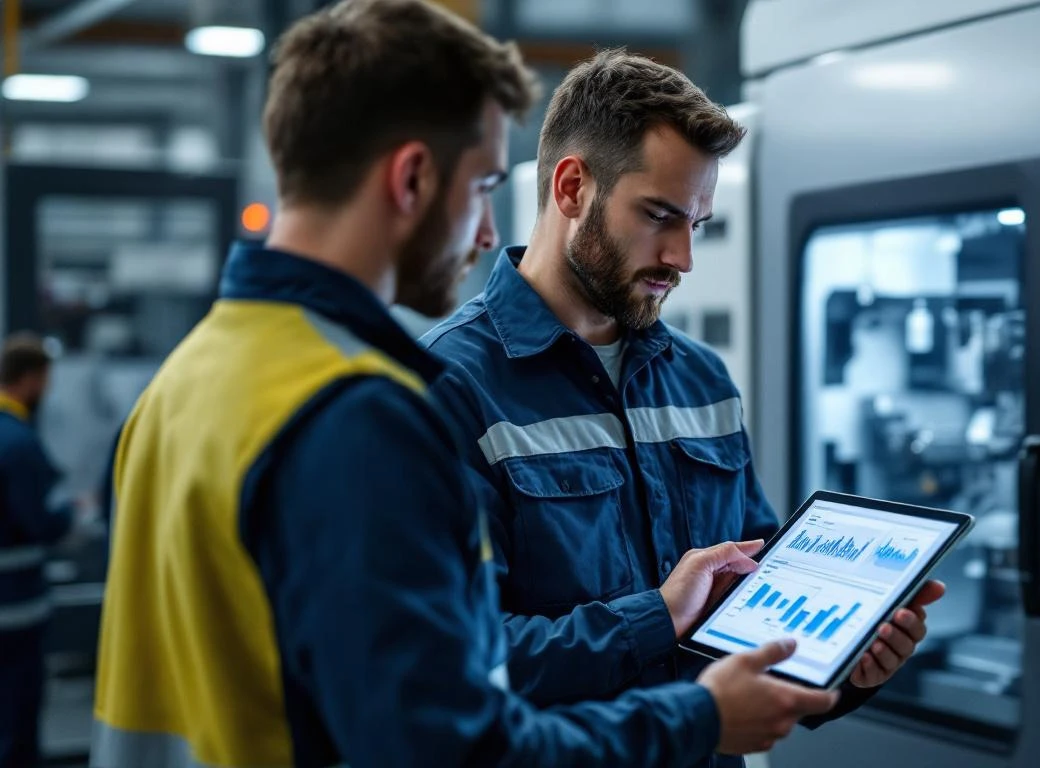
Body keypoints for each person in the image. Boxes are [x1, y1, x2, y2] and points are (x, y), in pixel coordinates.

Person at [91, 3, 837, 767]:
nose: (487, 232)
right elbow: (453, 743)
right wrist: (693, 718)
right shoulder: (360, 411)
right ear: (412, 176)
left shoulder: (184, 382)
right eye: (483, 186)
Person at [421, 49, 947, 767]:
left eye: (697, 222)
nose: (683, 256)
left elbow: (756, 601)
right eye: (660, 216)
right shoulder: (446, 387)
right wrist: (657, 617)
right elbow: (456, 664)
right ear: (573, 187)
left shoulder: (701, 381)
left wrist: (845, 664)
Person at [0, 333, 76, 768]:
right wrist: (70, 515)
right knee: (17, 725)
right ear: (31, 378)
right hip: (15, 612)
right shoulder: (20, 444)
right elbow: (43, 523)